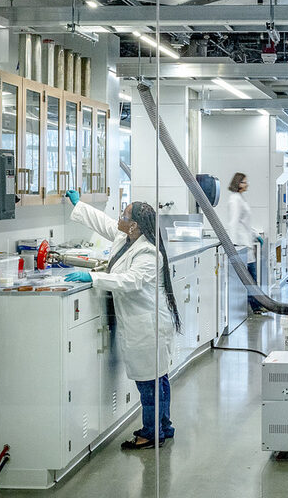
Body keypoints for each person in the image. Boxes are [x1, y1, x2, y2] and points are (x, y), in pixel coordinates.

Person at [63, 190, 180, 450]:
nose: (119, 217)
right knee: (158, 378)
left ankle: (152, 433)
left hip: (148, 326)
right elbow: (103, 223)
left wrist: (93, 279)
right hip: (142, 324)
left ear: (135, 225)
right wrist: (78, 205)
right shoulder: (126, 238)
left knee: (150, 382)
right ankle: (164, 426)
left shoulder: (149, 253)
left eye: (124, 214)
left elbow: (131, 281)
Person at [221, 172, 266, 314]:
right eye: (244, 182)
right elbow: (233, 222)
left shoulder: (240, 198)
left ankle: (257, 305)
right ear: (238, 183)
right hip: (240, 245)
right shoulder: (235, 199)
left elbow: (244, 223)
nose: (247, 184)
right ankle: (256, 306)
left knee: (252, 278)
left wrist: (255, 235)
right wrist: (233, 246)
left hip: (246, 244)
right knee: (249, 279)